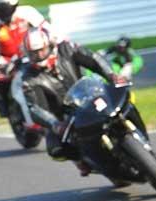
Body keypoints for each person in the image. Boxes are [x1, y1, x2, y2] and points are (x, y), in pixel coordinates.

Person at [20, 28, 126, 175]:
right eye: (34, 53)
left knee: (123, 99)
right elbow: (34, 107)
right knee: (55, 149)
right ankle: (81, 160)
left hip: (90, 95)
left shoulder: (66, 49)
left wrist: (111, 74)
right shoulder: (28, 78)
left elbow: (93, 58)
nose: (39, 55)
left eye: (41, 50)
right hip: (65, 117)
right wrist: (54, 123)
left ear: (49, 45)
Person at [0, 0, 52, 119]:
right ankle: (8, 111)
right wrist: (0, 64)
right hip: (9, 62)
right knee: (1, 79)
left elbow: (48, 30)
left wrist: (55, 43)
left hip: (34, 55)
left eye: (5, 8)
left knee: (55, 66)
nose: (2, 13)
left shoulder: (27, 12)